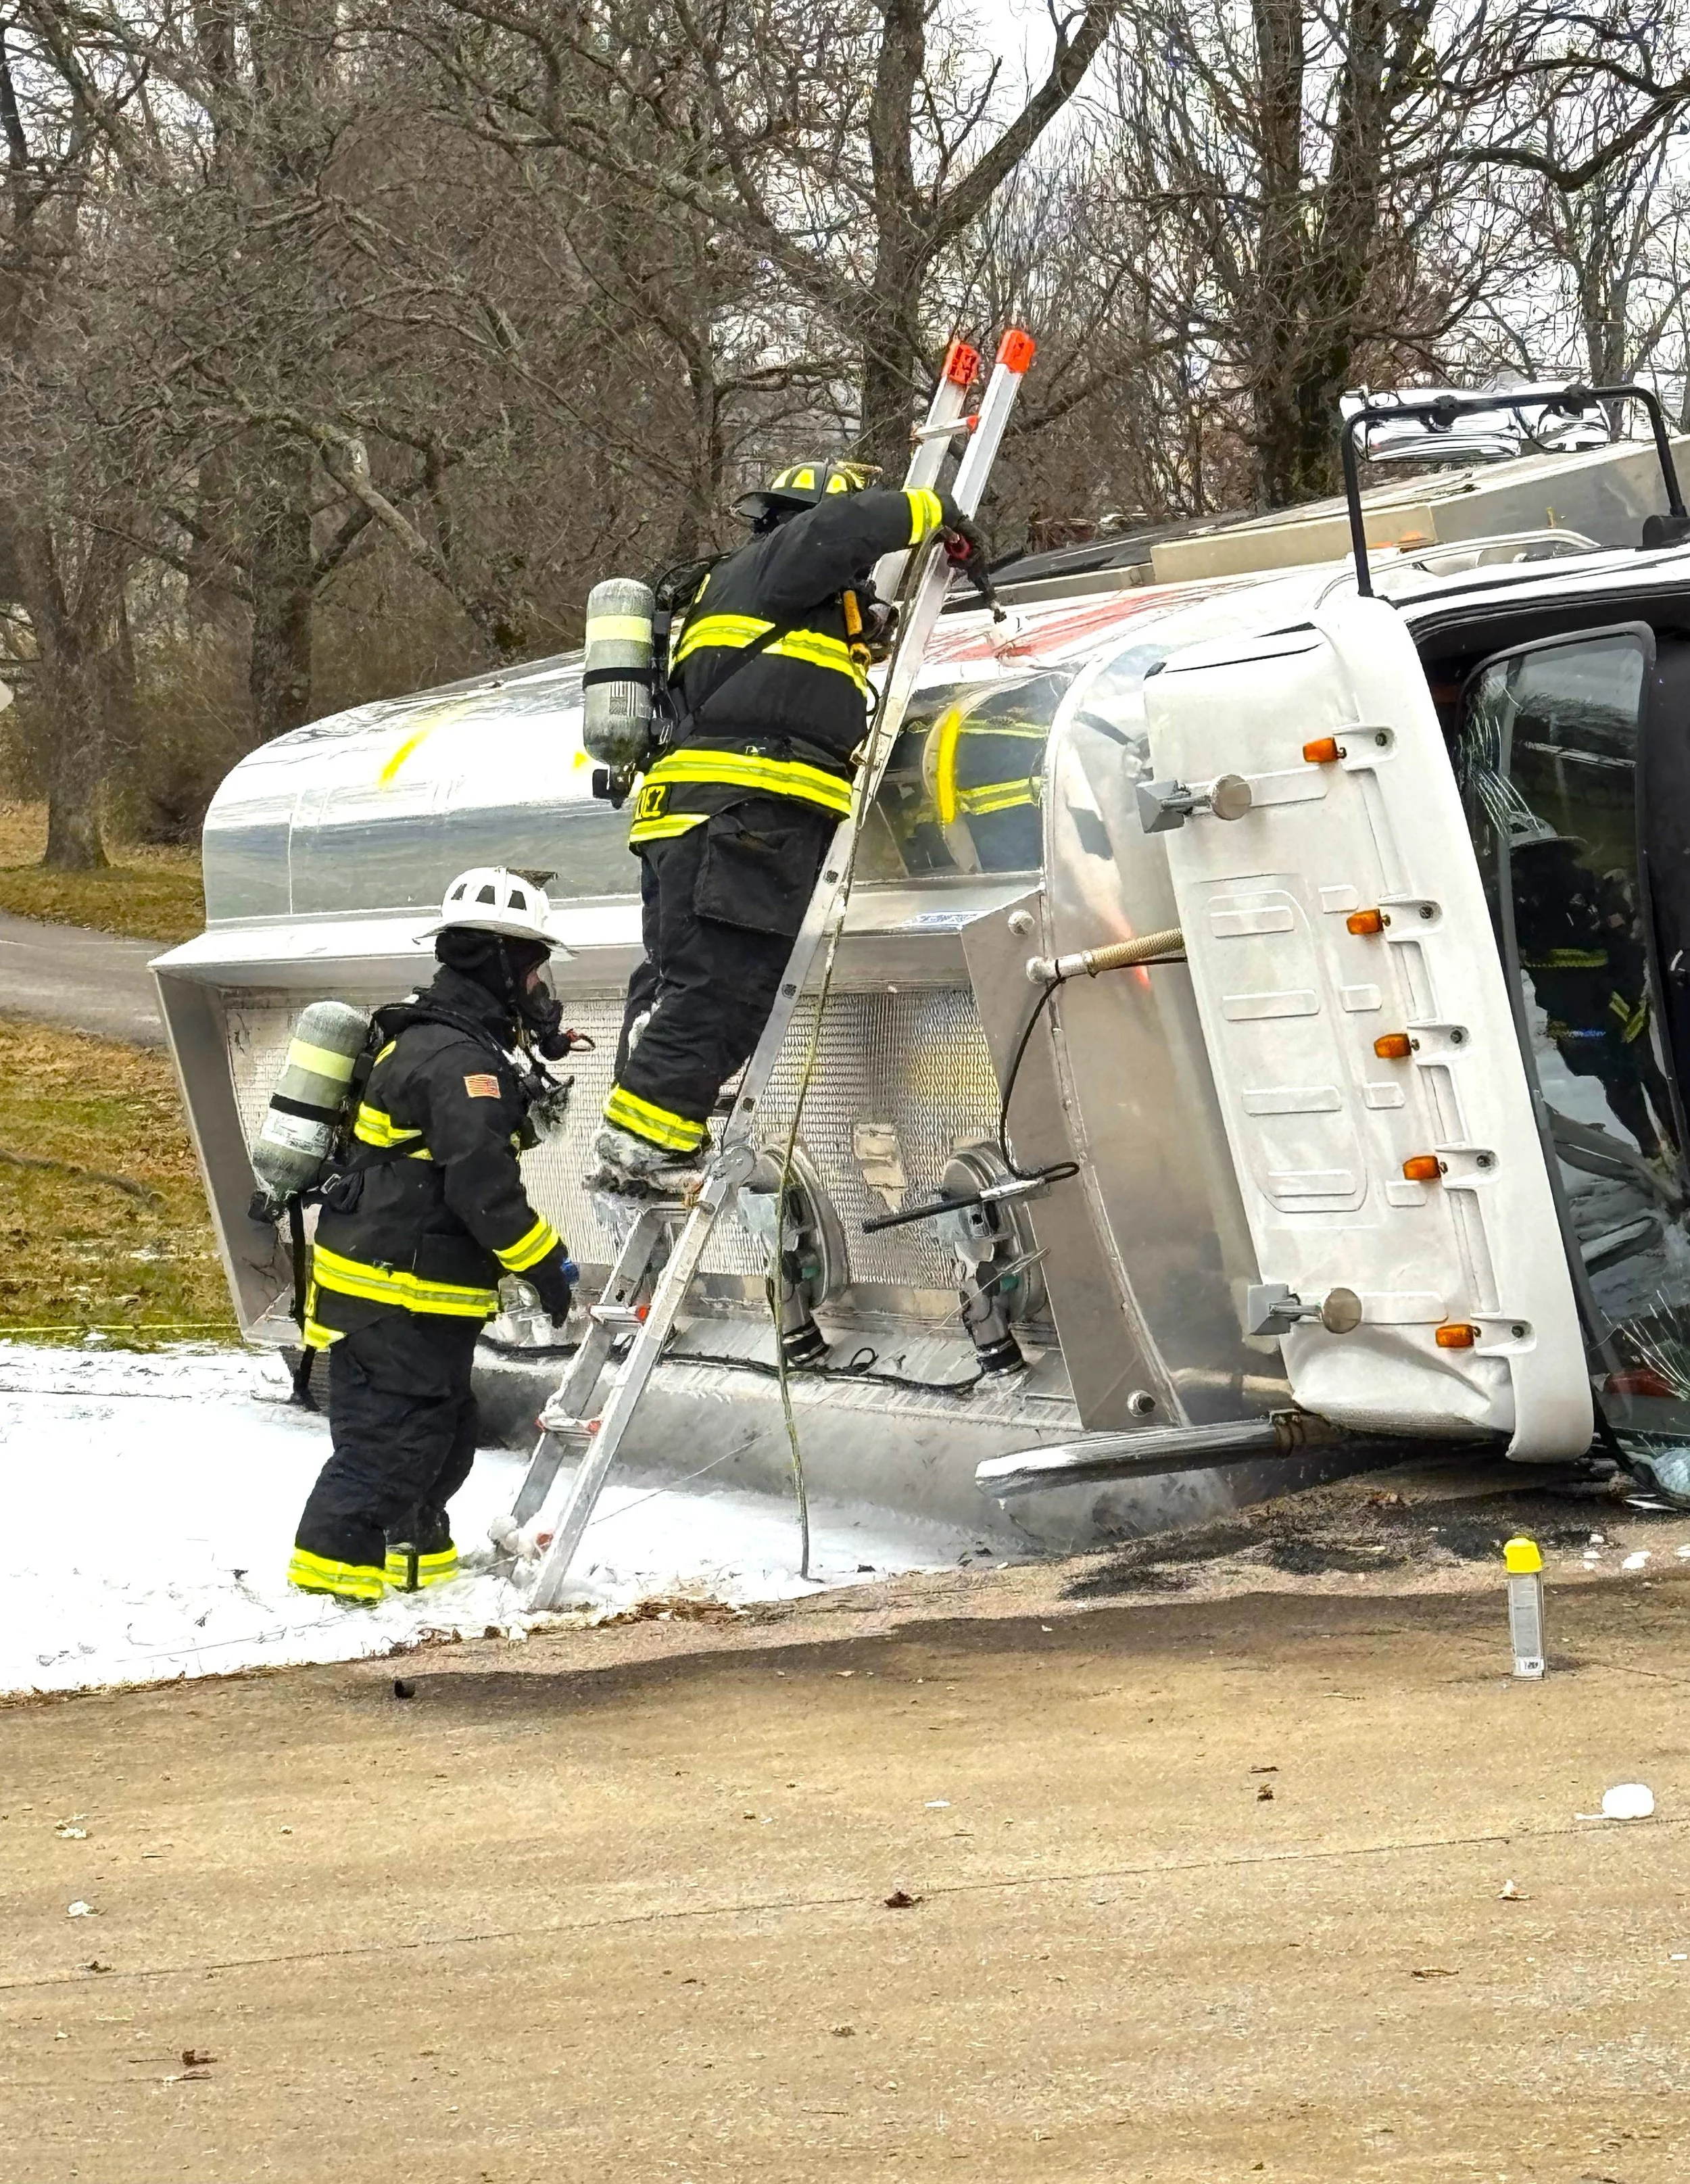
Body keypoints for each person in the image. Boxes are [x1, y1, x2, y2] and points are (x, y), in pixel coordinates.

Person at [589, 458, 989, 1192]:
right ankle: (642, 1145)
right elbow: (846, 526)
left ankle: (642, 1138)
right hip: (747, 812)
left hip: (694, 813)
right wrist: (933, 510)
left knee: (683, 983)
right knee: (725, 985)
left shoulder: (736, 589)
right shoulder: (786, 558)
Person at [287, 867, 579, 1605]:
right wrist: (544, 1265)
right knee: (390, 1445)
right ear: (502, 965)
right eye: (535, 968)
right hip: (395, 1289)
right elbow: (480, 1184)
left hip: (409, 1284)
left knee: (440, 1437)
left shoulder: (448, 1041)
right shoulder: (457, 1061)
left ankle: (413, 1571)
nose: (542, 986)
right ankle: (329, 1591)